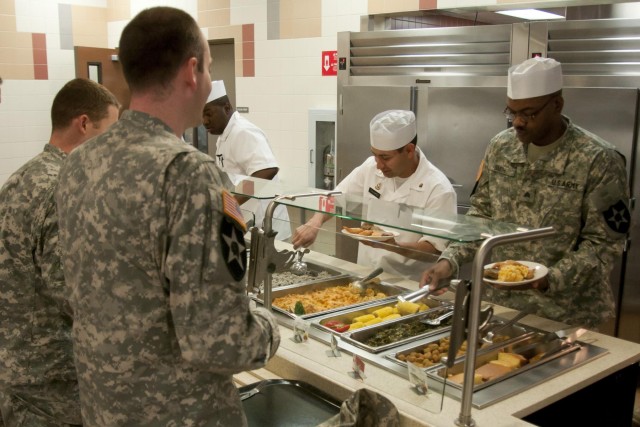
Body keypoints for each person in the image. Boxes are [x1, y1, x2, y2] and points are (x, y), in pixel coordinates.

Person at [55, 7, 280, 427]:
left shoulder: (79, 162)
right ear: (192, 71)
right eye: (210, 67)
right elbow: (219, 342)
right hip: (178, 412)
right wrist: (270, 326)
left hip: (103, 405)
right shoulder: (189, 173)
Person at [421, 57, 630, 329]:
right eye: (511, 112)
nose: (518, 122)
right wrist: (449, 261)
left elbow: (604, 244)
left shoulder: (598, 159)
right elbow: (481, 216)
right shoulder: (501, 147)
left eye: (529, 113)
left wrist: (547, 278)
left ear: (557, 105)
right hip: (501, 306)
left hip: (567, 314)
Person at [0, 78, 120, 426]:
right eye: (109, 132)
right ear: (84, 124)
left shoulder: (21, 177)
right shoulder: (66, 187)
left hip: (16, 372)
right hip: (52, 389)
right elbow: (77, 295)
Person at [292, 110, 457, 282]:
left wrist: (394, 246)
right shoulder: (370, 167)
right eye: (375, 155)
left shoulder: (438, 188)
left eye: (385, 157)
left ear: (409, 150)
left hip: (406, 283)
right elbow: (335, 197)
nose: (378, 165)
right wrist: (314, 222)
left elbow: (434, 250)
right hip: (365, 275)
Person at [202, 80, 291, 239]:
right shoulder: (223, 136)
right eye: (201, 115)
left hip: (268, 225)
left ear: (227, 108)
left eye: (208, 114)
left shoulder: (242, 131)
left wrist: (230, 204)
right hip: (248, 221)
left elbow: (266, 170)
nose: (205, 121)